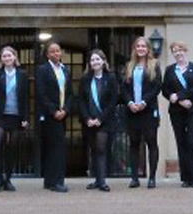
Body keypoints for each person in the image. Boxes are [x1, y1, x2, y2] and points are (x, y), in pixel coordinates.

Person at [121, 36, 162, 188]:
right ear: (134, 49)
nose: (141, 49)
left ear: (148, 49)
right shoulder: (129, 66)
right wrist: (130, 102)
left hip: (148, 110)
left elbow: (157, 86)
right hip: (132, 111)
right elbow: (124, 88)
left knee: (151, 142)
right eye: (138, 46)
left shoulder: (154, 65)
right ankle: (134, 178)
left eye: (143, 46)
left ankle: (152, 178)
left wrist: (144, 101)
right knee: (134, 143)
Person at [162, 41, 193, 188]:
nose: (178, 53)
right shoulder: (169, 70)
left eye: (180, 50)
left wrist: (180, 96)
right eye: (175, 51)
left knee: (192, 142)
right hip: (176, 111)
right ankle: (186, 178)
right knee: (181, 143)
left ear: (185, 51)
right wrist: (179, 101)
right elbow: (165, 90)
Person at [0, 45, 29, 192]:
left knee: (11, 148)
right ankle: (0, 178)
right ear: (1, 59)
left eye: (9, 55)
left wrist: (25, 117)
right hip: (1, 117)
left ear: (14, 57)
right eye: (4, 56)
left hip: (16, 116)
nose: (7, 58)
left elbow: (25, 98)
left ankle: (8, 179)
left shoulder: (22, 75)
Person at [36, 41, 73, 192]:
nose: (56, 53)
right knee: (54, 148)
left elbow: (70, 93)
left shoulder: (65, 70)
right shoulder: (43, 70)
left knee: (58, 147)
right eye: (52, 51)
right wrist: (53, 111)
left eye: (57, 51)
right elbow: (41, 93)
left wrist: (65, 110)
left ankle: (52, 181)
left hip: (62, 114)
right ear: (47, 54)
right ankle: (56, 181)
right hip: (50, 115)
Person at [78, 49, 116, 192]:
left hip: (105, 121)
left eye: (98, 59)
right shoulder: (85, 79)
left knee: (101, 148)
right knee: (93, 149)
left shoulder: (110, 78)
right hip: (89, 120)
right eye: (93, 60)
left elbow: (113, 101)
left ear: (103, 61)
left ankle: (102, 181)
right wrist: (87, 118)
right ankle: (97, 179)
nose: (95, 62)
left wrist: (101, 119)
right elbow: (81, 100)